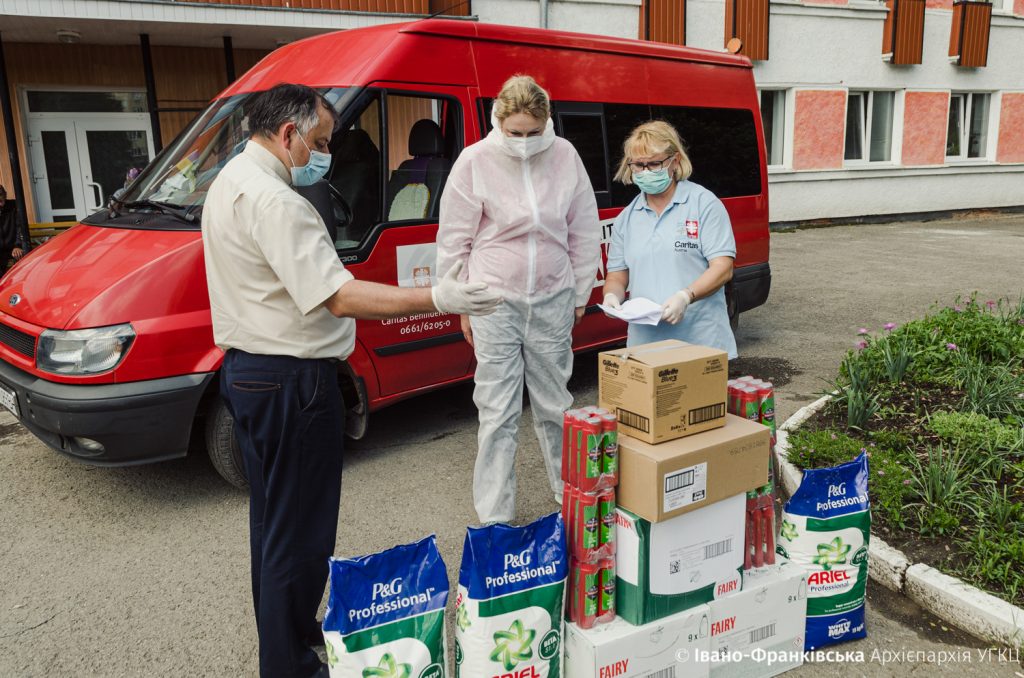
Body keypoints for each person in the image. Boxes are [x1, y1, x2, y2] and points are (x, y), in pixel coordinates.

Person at [201, 83, 502, 678]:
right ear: (287, 135)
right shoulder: (279, 203)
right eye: (319, 142)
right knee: (302, 529)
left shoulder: (230, 180)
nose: (325, 154)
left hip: (251, 374)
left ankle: (288, 632)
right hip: (293, 380)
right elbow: (341, 297)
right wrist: (437, 295)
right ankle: (288, 664)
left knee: (273, 521)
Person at [435, 74, 602, 525]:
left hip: (552, 295)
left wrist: (580, 293)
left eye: (533, 133)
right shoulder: (475, 161)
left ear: (546, 124)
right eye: (515, 133)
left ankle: (569, 498)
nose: (525, 143)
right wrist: (458, 300)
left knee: (555, 405)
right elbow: (454, 238)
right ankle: (494, 517)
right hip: (494, 299)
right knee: (497, 412)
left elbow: (583, 227)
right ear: (498, 122)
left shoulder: (564, 155)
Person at [602, 120, 738, 359]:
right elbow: (617, 275)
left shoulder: (703, 204)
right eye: (638, 165)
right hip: (645, 346)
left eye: (654, 164)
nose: (645, 172)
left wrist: (686, 296)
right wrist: (611, 296)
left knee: (702, 398)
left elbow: (723, 268)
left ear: (674, 161)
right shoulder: (627, 218)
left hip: (701, 342)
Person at [0, 186, 30, 272]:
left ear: (5, 195)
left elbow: (20, 227)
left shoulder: (14, 206)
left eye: (1, 196)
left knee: (24, 264)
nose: (0, 204)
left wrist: (17, 245)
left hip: (13, 248)